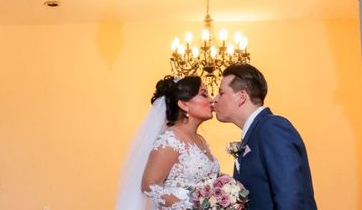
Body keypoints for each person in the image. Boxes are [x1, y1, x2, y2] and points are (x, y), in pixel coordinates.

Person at [213, 63, 317, 210]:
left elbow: (290, 195)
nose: (215, 99)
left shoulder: (272, 127)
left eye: (221, 93)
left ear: (241, 97)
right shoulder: (254, 133)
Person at [116, 75, 218, 209]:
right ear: (184, 104)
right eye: (204, 95)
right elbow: (149, 185)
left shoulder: (201, 140)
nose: (211, 100)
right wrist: (189, 206)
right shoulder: (170, 139)